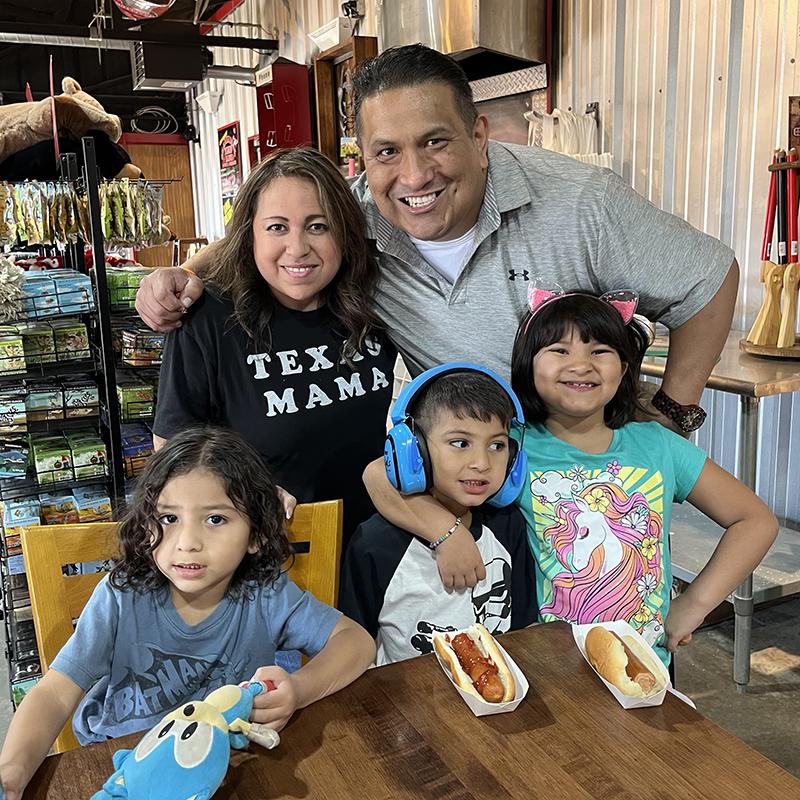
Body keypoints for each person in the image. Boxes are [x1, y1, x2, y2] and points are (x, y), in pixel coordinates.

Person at [135, 43, 739, 585]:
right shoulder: (358, 215)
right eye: (387, 152)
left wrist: (671, 415)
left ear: (478, 135)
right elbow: (272, 227)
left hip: (583, 489)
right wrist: (182, 277)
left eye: (435, 141)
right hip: (468, 493)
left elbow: (709, 279)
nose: (414, 175)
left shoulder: (583, 205)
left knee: (608, 655)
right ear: (364, 161)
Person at [363, 290, 778, 666]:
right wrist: (446, 532)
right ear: (528, 365)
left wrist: (696, 603)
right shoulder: (507, 446)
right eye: (559, 350)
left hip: (644, 666)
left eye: (600, 351)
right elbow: (379, 473)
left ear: (625, 365)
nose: (581, 364)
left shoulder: (659, 446)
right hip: (545, 669)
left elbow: (755, 521)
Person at [0, 427, 375, 800]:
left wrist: (300, 689)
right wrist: (13, 771)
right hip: (123, 763)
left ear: (256, 534)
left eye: (215, 519)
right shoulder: (121, 595)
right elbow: (54, 693)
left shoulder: (266, 593)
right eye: (168, 518)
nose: (188, 543)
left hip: (223, 767)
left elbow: (355, 642)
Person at [152, 147, 396, 545]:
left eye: (317, 226)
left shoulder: (377, 302)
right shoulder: (208, 319)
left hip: (384, 557)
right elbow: (172, 455)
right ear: (250, 233)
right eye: (277, 227)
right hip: (277, 562)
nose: (297, 248)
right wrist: (240, 491)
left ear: (345, 232)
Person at [339, 365, 536, 665]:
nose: (482, 462)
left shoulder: (509, 526)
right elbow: (353, 647)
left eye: (497, 445)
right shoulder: (374, 543)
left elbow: (522, 631)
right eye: (460, 443)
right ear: (413, 450)